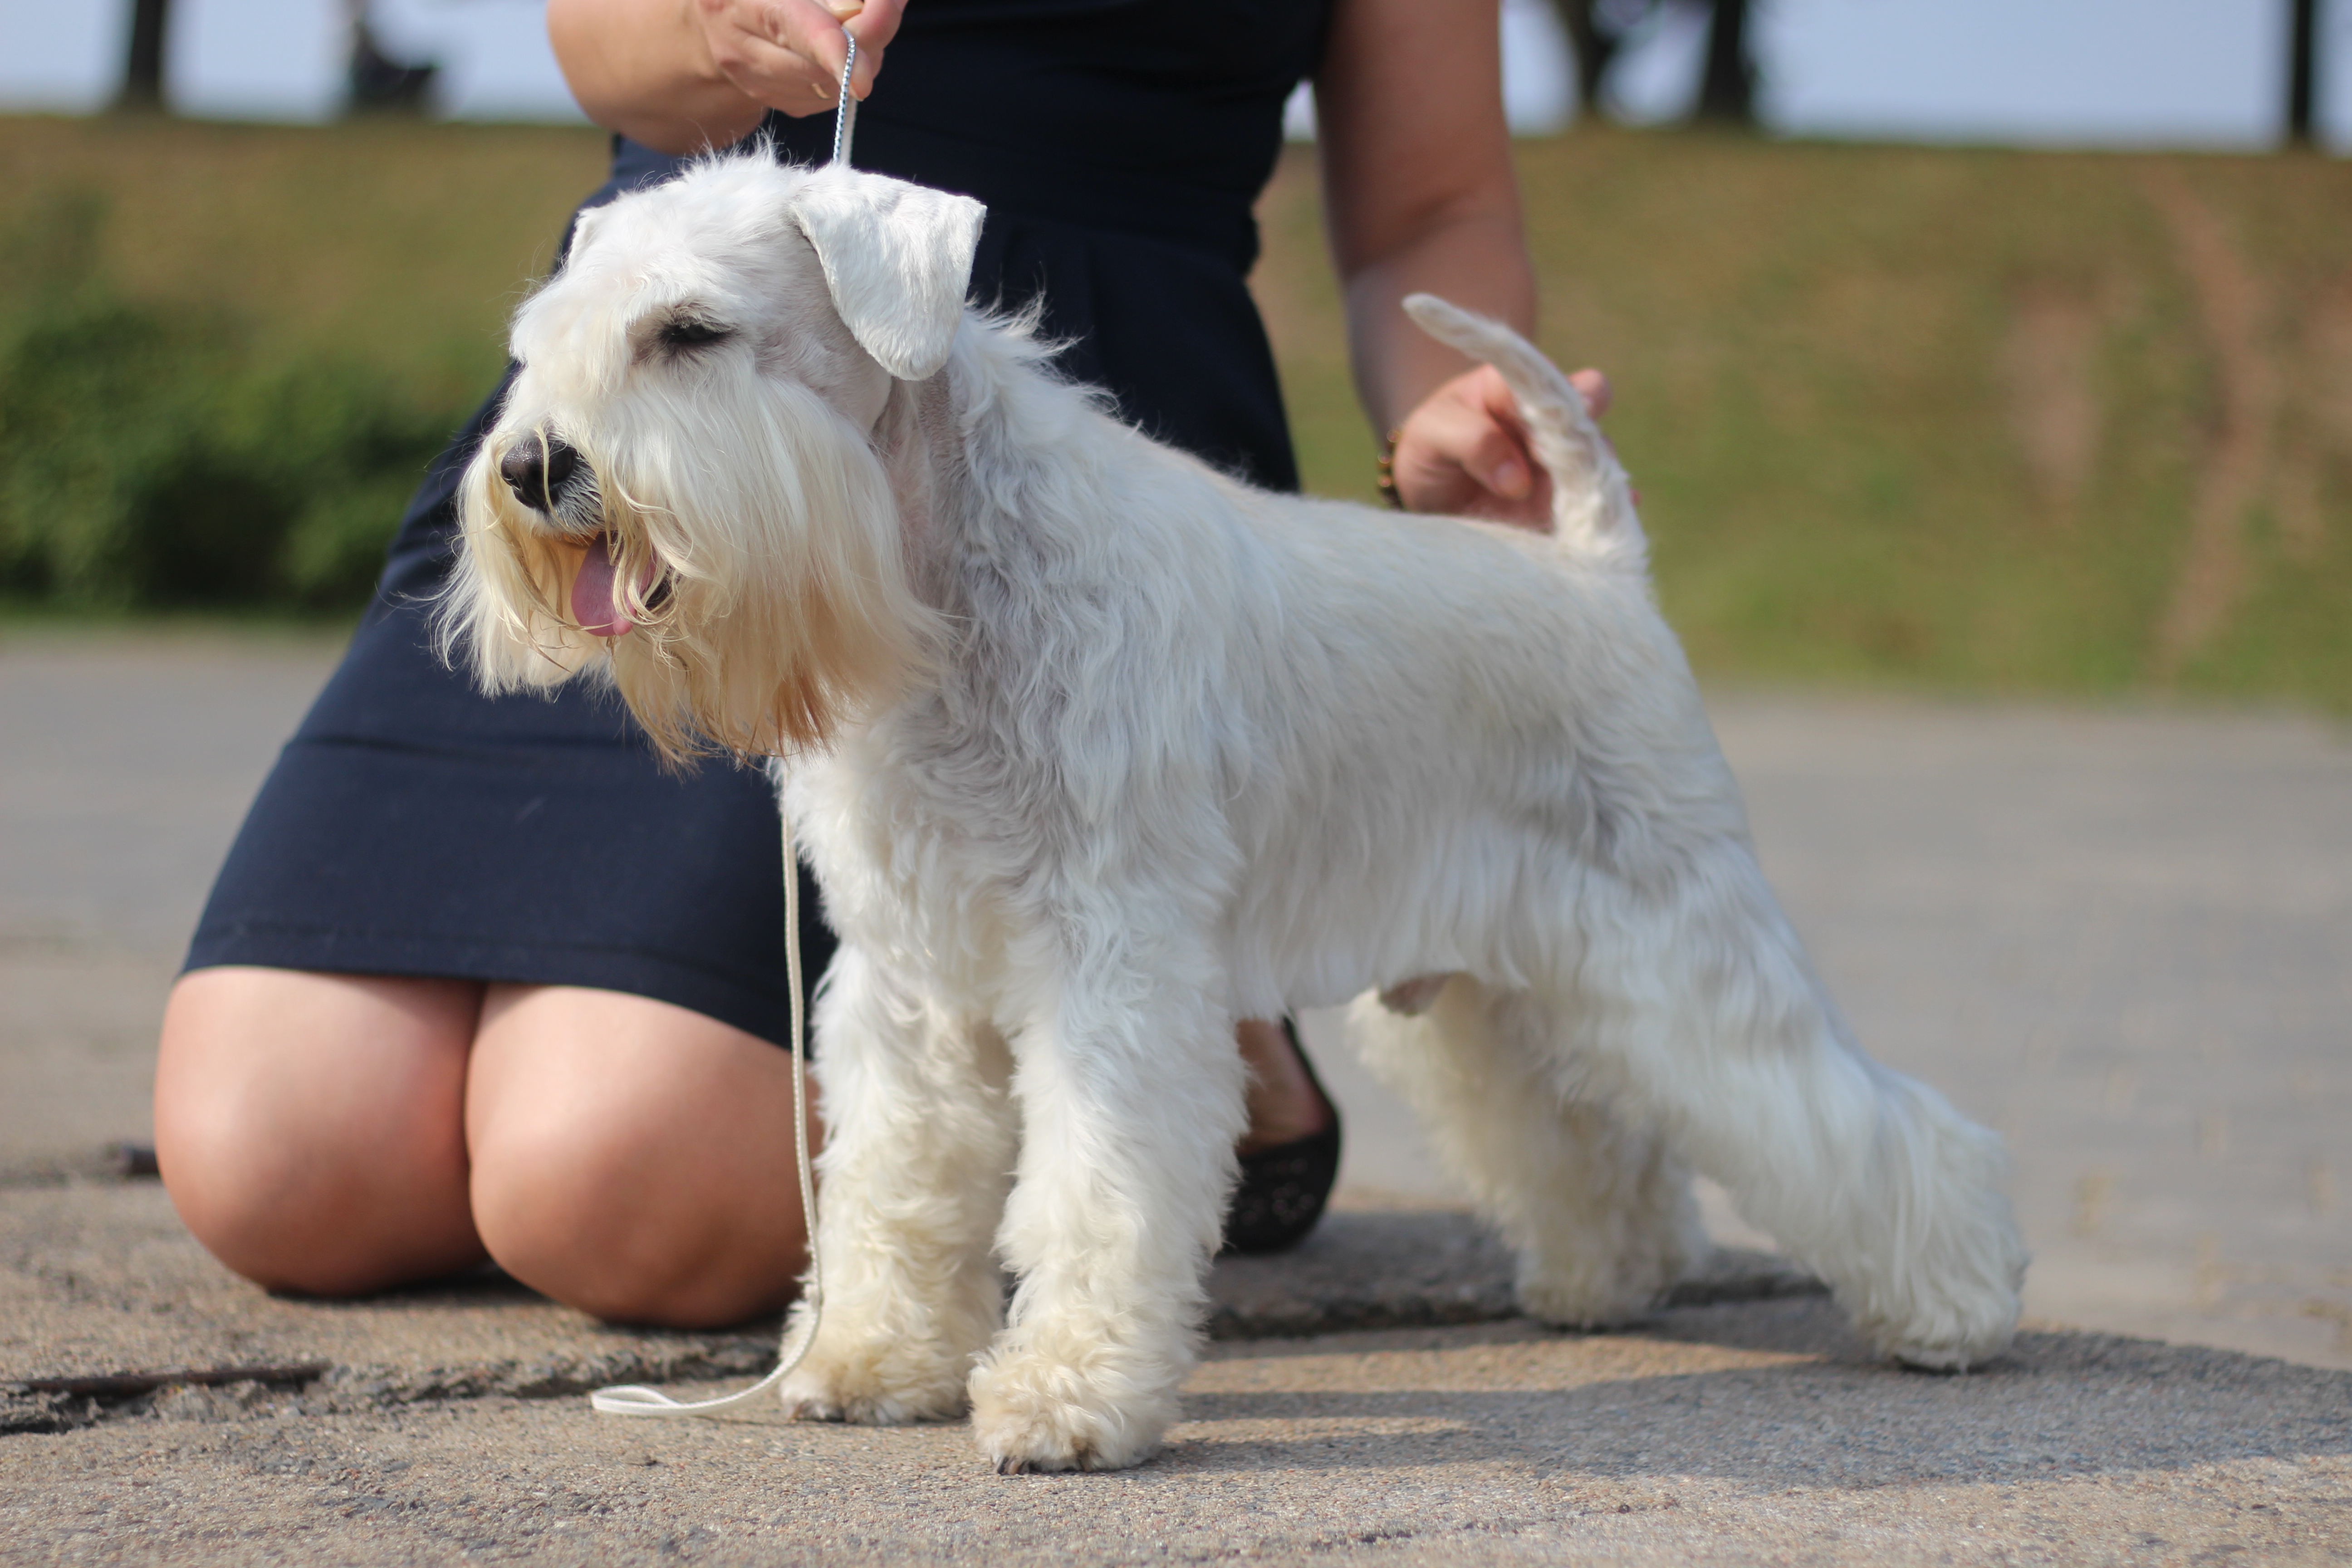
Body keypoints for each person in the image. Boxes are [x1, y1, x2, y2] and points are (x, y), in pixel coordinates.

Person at [152, 0, 1604, 1330]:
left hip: (1068, 425)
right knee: (278, 1160)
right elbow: (602, 42)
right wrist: (713, 29)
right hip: (655, 359)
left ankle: (1192, 1006)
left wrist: (1445, 421)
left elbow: (1437, 205)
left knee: (611, 1186)